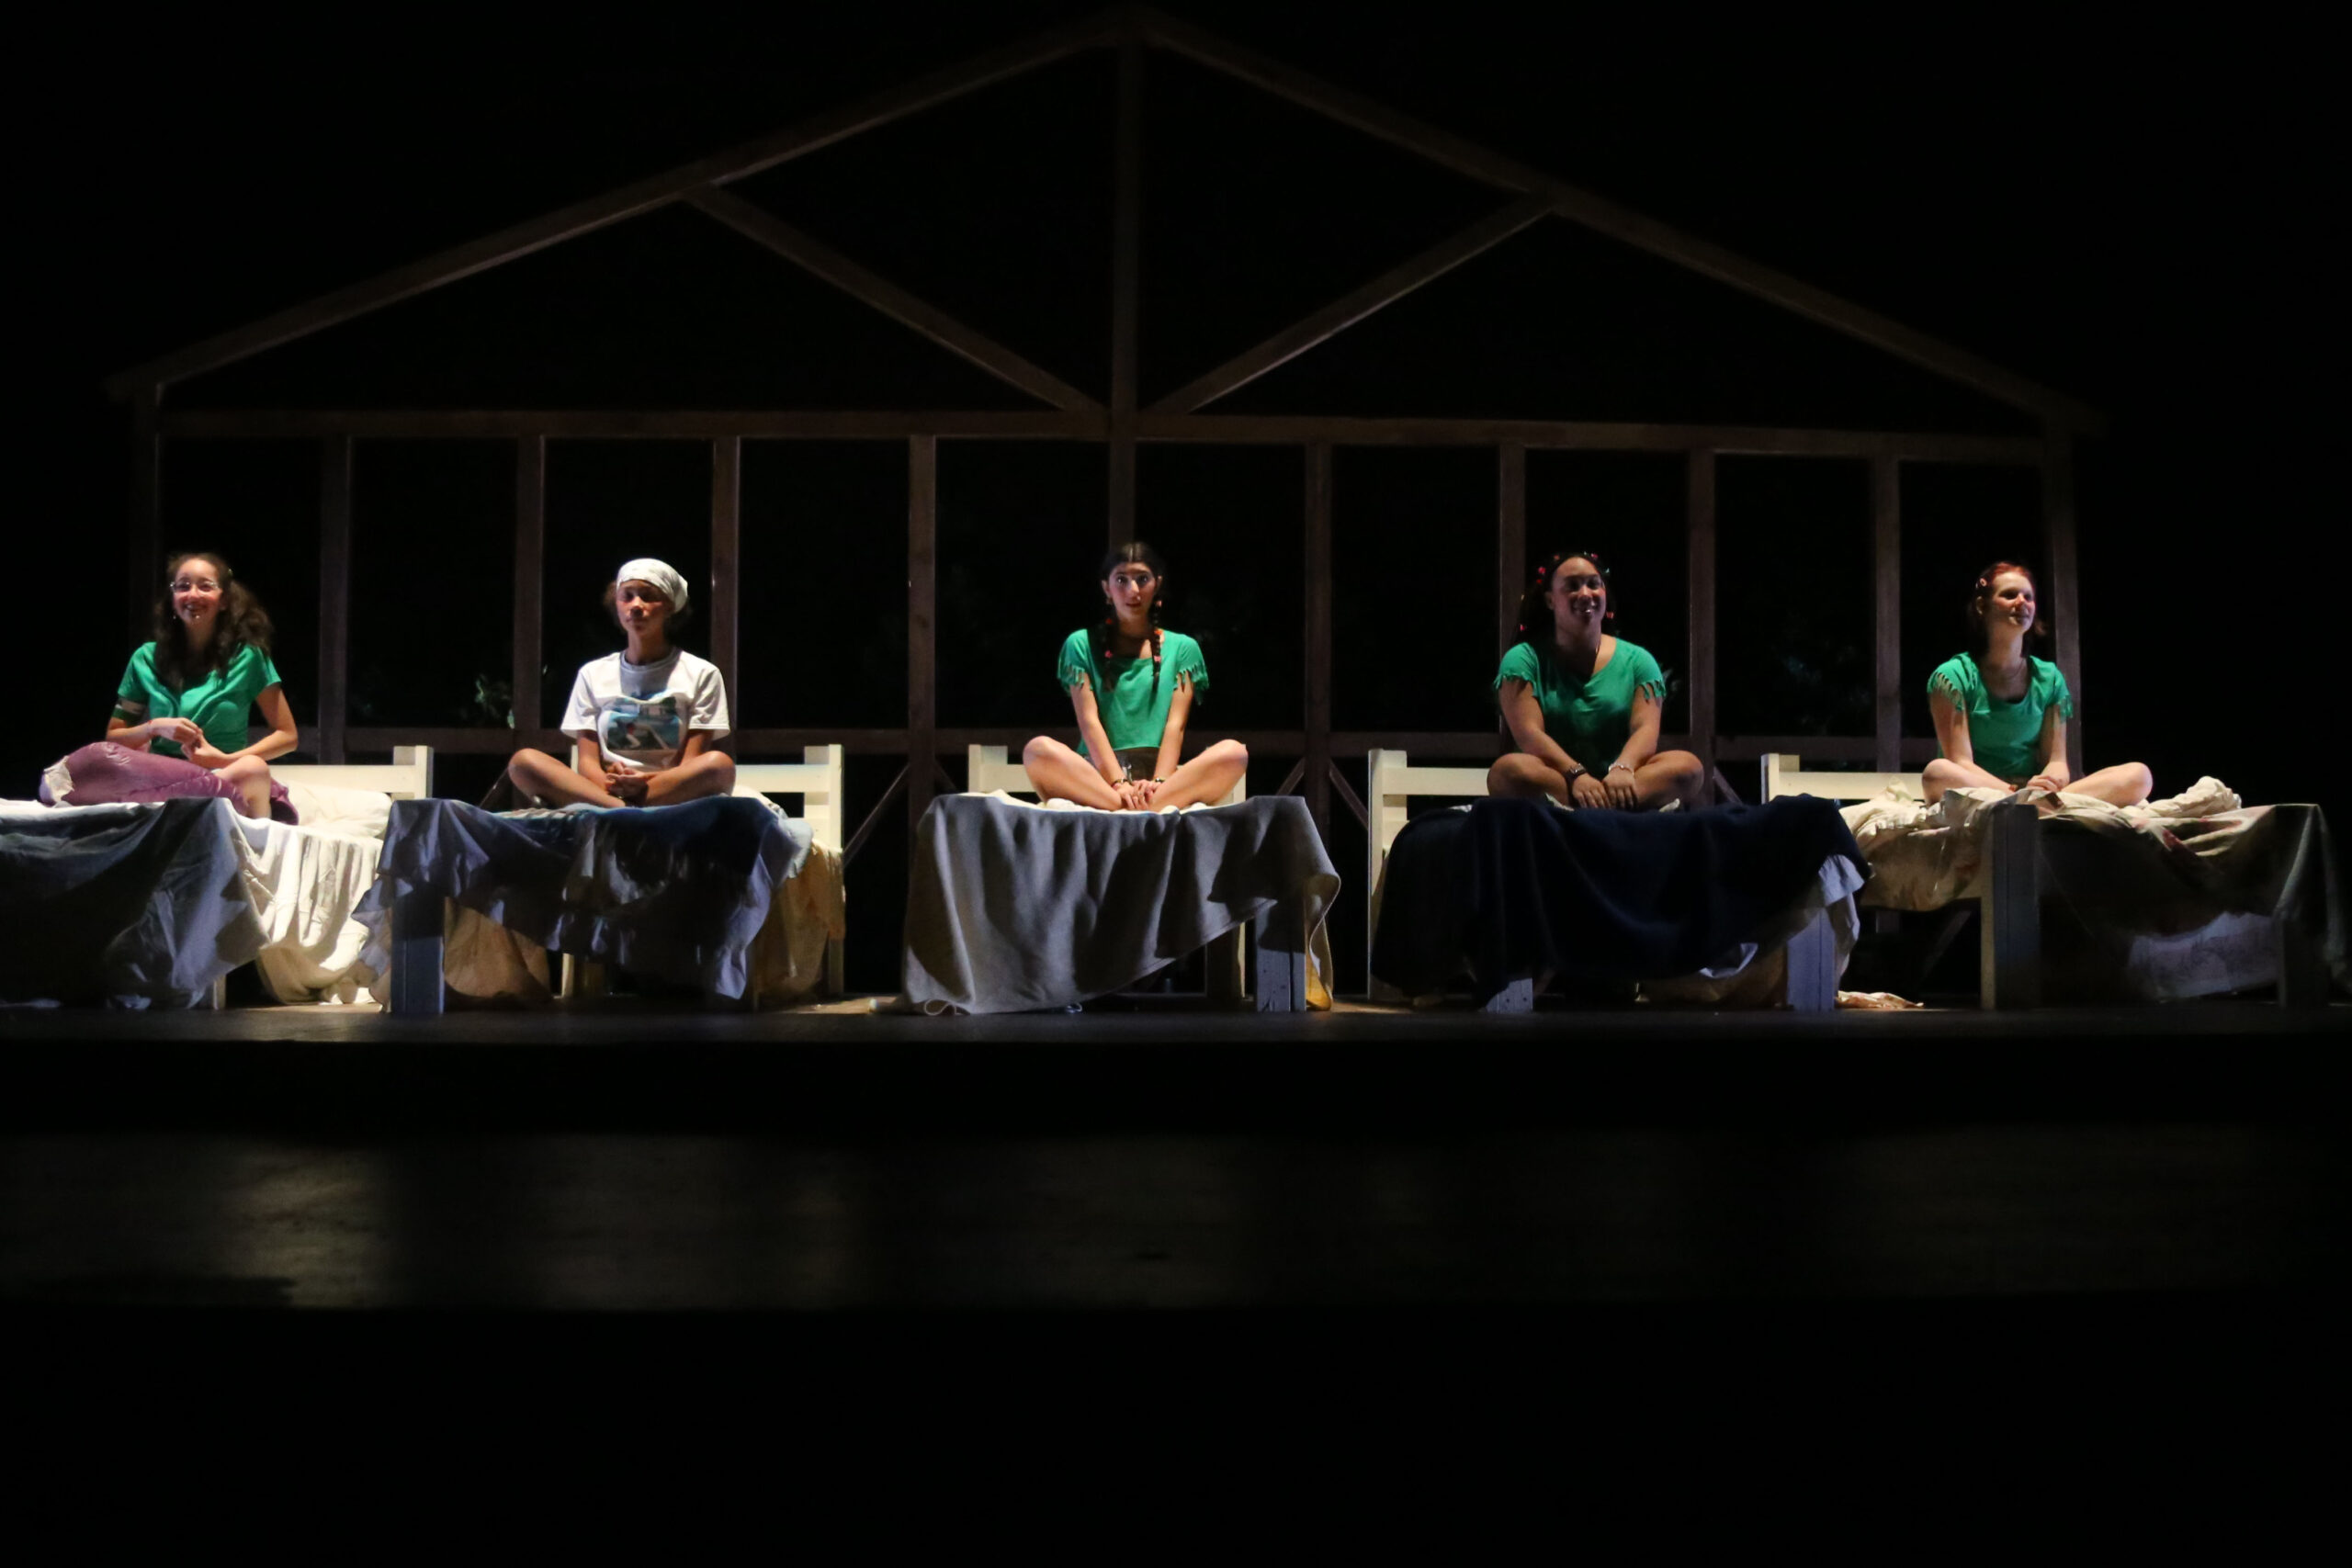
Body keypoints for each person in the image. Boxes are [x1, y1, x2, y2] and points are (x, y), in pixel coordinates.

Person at [42, 551, 299, 820]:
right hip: (161, 781)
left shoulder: (249, 658)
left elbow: (287, 736)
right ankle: (175, 803)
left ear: (223, 600)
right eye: (183, 586)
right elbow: (115, 736)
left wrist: (221, 760)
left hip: (224, 775)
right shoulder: (145, 658)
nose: (193, 594)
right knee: (95, 760)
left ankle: (197, 807)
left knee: (254, 769)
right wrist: (155, 728)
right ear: (173, 597)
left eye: (205, 586)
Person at [1021, 542, 1248, 811]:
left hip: (1160, 782)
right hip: (1098, 778)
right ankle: (1127, 805)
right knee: (1037, 750)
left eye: (1142, 579)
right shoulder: (1081, 644)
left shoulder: (1182, 648)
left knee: (1235, 753)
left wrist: (1160, 782)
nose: (1133, 591)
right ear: (1107, 587)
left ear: (1157, 584)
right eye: (1121, 580)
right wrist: (1118, 784)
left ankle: (1146, 803)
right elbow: (1089, 722)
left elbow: (1175, 726)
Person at [506, 558, 737, 808]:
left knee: (719, 765)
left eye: (648, 597)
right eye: (627, 596)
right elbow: (587, 763)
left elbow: (693, 762)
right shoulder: (593, 673)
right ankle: (619, 810)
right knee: (523, 762)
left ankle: (622, 810)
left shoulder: (701, 673)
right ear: (616, 605)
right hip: (606, 788)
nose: (636, 605)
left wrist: (644, 781)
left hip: (667, 790)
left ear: (670, 607)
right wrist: (612, 782)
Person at [1487, 550, 1704, 810]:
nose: (1585, 593)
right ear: (1550, 600)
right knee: (1507, 771)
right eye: (1572, 586)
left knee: (1689, 767)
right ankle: (1605, 809)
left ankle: (1592, 808)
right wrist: (1576, 775)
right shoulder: (1523, 659)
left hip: (1622, 780)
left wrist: (1622, 769)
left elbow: (1645, 731)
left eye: (1593, 584)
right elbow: (1530, 735)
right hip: (1560, 780)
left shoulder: (1638, 660)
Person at [1923, 560, 2150, 806]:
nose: (2022, 602)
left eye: (2028, 597)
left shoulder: (2049, 678)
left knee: (2140, 775)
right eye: (2010, 595)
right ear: (1982, 606)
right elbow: (1960, 762)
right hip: (1982, 791)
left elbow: (2056, 760)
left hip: (2034, 792)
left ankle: (2039, 806)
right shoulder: (1953, 676)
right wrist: (2015, 793)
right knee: (1937, 773)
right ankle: (2036, 806)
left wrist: (2049, 782)